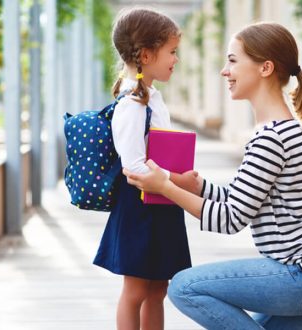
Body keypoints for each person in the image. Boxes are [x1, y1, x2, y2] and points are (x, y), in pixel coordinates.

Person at [123, 22, 302, 330]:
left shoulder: (271, 139)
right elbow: (247, 196)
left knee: (184, 287)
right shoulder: (279, 130)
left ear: (265, 68)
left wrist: (165, 187)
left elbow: (230, 219)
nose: (225, 71)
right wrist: (199, 187)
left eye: (232, 61)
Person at [93, 8, 198, 330]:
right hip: (140, 206)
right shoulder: (132, 104)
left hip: (160, 203)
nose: (176, 59)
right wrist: (178, 180)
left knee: (158, 288)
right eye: (172, 51)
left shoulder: (150, 97)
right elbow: (133, 167)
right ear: (147, 54)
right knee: (136, 289)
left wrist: (173, 180)